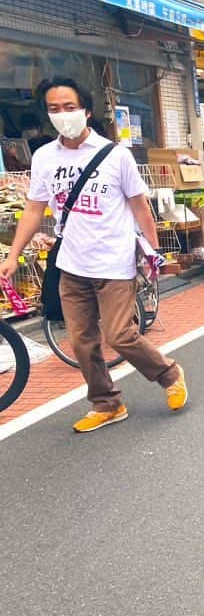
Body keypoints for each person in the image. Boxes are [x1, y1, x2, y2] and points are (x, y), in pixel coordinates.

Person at [0, 77, 188, 432]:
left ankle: (168, 373)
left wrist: (152, 253)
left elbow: (140, 206)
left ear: (86, 110)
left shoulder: (116, 155)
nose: (63, 115)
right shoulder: (44, 157)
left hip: (113, 261)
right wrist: (13, 254)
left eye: (69, 108)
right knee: (82, 341)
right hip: (71, 263)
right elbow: (33, 209)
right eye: (54, 109)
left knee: (119, 335)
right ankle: (106, 404)